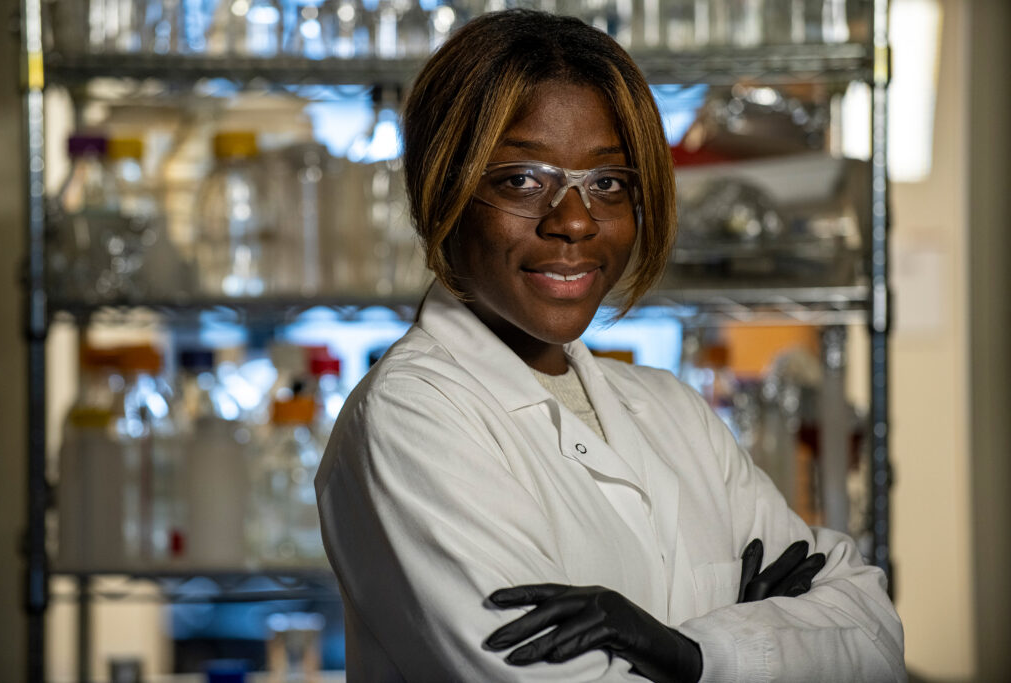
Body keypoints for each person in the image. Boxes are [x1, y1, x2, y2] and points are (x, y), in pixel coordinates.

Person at [315, 9, 905, 682]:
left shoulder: (673, 413)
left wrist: (691, 652)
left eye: (608, 183)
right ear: (439, 188)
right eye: (521, 178)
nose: (573, 220)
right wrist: (768, 636)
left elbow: (875, 633)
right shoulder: (410, 418)